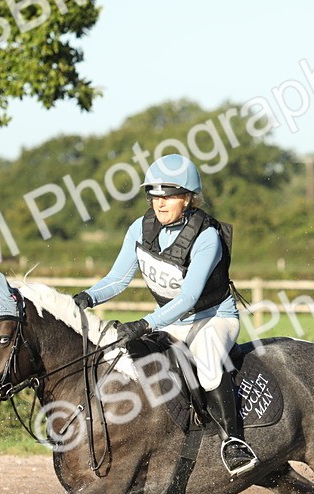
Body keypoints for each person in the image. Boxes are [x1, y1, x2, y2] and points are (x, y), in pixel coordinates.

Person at [73, 153, 259, 477]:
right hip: (171, 321)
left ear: (188, 198)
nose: (159, 203)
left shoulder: (207, 237)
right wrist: (86, 298)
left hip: (212, 319)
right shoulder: (139, 228)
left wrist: (146, 323)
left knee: (210, 365)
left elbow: (188, 297)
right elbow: (117, 279)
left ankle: (234, 442)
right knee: (128, 360)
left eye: (169, 195)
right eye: (154, 195)